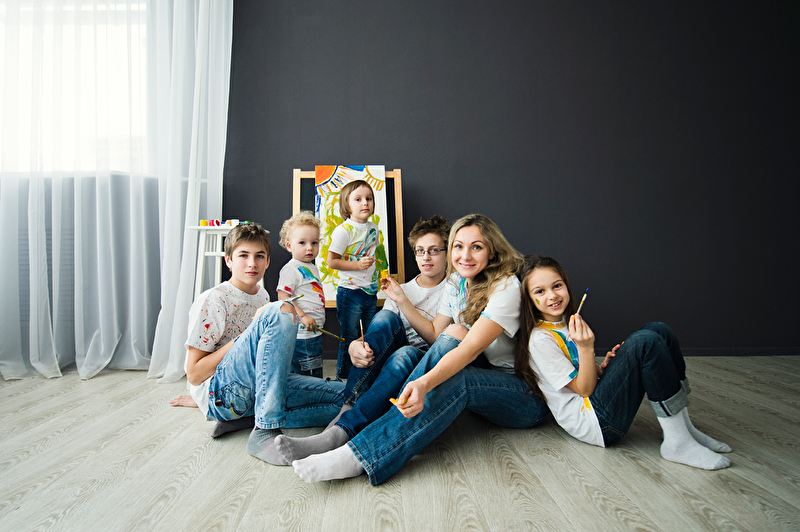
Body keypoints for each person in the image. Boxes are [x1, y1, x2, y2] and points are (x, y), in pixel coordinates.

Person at [288, 214, 550, 484]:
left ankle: (359, 453)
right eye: (459, 246)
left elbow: (471, 349)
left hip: (522, 394)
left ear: (492, 250)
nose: (465, 255)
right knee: (423, 346)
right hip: (481, 373)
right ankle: (346, 426)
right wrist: (394, 310)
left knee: (457, 352)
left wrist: (424, 383)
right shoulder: (458, 283)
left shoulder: (505, 286)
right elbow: (437, 336)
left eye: (477, 247)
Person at [514, 255, 731, 470]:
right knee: (645, 342)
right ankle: (678, 443)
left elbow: (579, 372)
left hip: (595, 401)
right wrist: (586, 348)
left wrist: (602, 369)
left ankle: (684, 428)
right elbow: (584, 390)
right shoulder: (540, 340)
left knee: (658, 330)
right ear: (529, 300)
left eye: (557, 286)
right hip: (594, 423)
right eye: (540, 292)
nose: (552, 295)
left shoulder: (566, 323)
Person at [275, 215, 450, 460]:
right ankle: (346, 411)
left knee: (405, 354)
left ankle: (340, 429)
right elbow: (379, 332)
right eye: (420, 251)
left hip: (421, 366)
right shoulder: (404, 287)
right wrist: (355, 347)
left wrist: (402, 301)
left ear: (447, 253)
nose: (426, 257)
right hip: (385, 363)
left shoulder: (453, 289)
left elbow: (436, 340)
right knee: (385, 318)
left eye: (434, 250)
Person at [183, 222, 344, 465]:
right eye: (243, 256)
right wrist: (246, 335)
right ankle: (264, 430)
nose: (252, 263)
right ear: (228, 260)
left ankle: (249, 418)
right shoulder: (214, 299)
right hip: (223, 394)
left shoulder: (261, 295)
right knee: (282, 308)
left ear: (268, 261)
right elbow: (194, 375)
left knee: (346, 398)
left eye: (259, 256)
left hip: (259, 388)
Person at [327, 179, 384, 379]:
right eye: (358, 199)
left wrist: (381, 276)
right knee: (350, 336)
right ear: (347, 205)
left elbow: (377, 257)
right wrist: (357, 265)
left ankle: (365, 374)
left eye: (369, 198)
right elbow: (332, 261)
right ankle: (343, 376)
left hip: (370, 290)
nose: (365, 203)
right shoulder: (344, 230)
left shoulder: (374, 229)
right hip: (350, 292)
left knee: (369, 335)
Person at [277, 211, 326, 377]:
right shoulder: (291, 269)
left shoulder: (311, 267)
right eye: (302, 243)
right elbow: (283, 297)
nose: (309, 247)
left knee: (314, 367)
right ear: (289, 246)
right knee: (309, 374)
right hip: (302, 334)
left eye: (314, 242)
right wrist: (303, 316)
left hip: (313, 331)